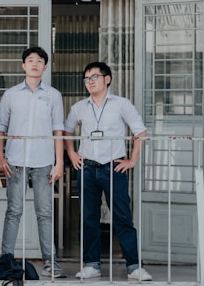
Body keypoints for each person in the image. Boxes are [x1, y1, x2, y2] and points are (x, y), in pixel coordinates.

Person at [63, 62, 151, 281]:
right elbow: (65, 131)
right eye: (86, 79)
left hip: (113, 167)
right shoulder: (80, 107)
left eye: (94, 77)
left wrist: (132, 160)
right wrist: (72, 154)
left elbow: (140, 132)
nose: (90, 81)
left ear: (107, 79)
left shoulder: (122, 104)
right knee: (88, 218)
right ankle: (91, 264)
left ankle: (134, 266)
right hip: (87, 168)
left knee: (122, 218)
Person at [0, 46, 67, 279]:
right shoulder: (11, 94)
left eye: (39, 61)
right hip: (15, 161)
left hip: (44, 161)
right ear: (23, 65)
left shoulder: (53, 95)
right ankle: (6, 259)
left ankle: (50, 261)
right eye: (30, 60)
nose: (34, 64)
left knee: (45, 212)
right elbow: (0, 127)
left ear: (45, 67)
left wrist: (58, 162)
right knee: (13, 211)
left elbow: (58, 130)